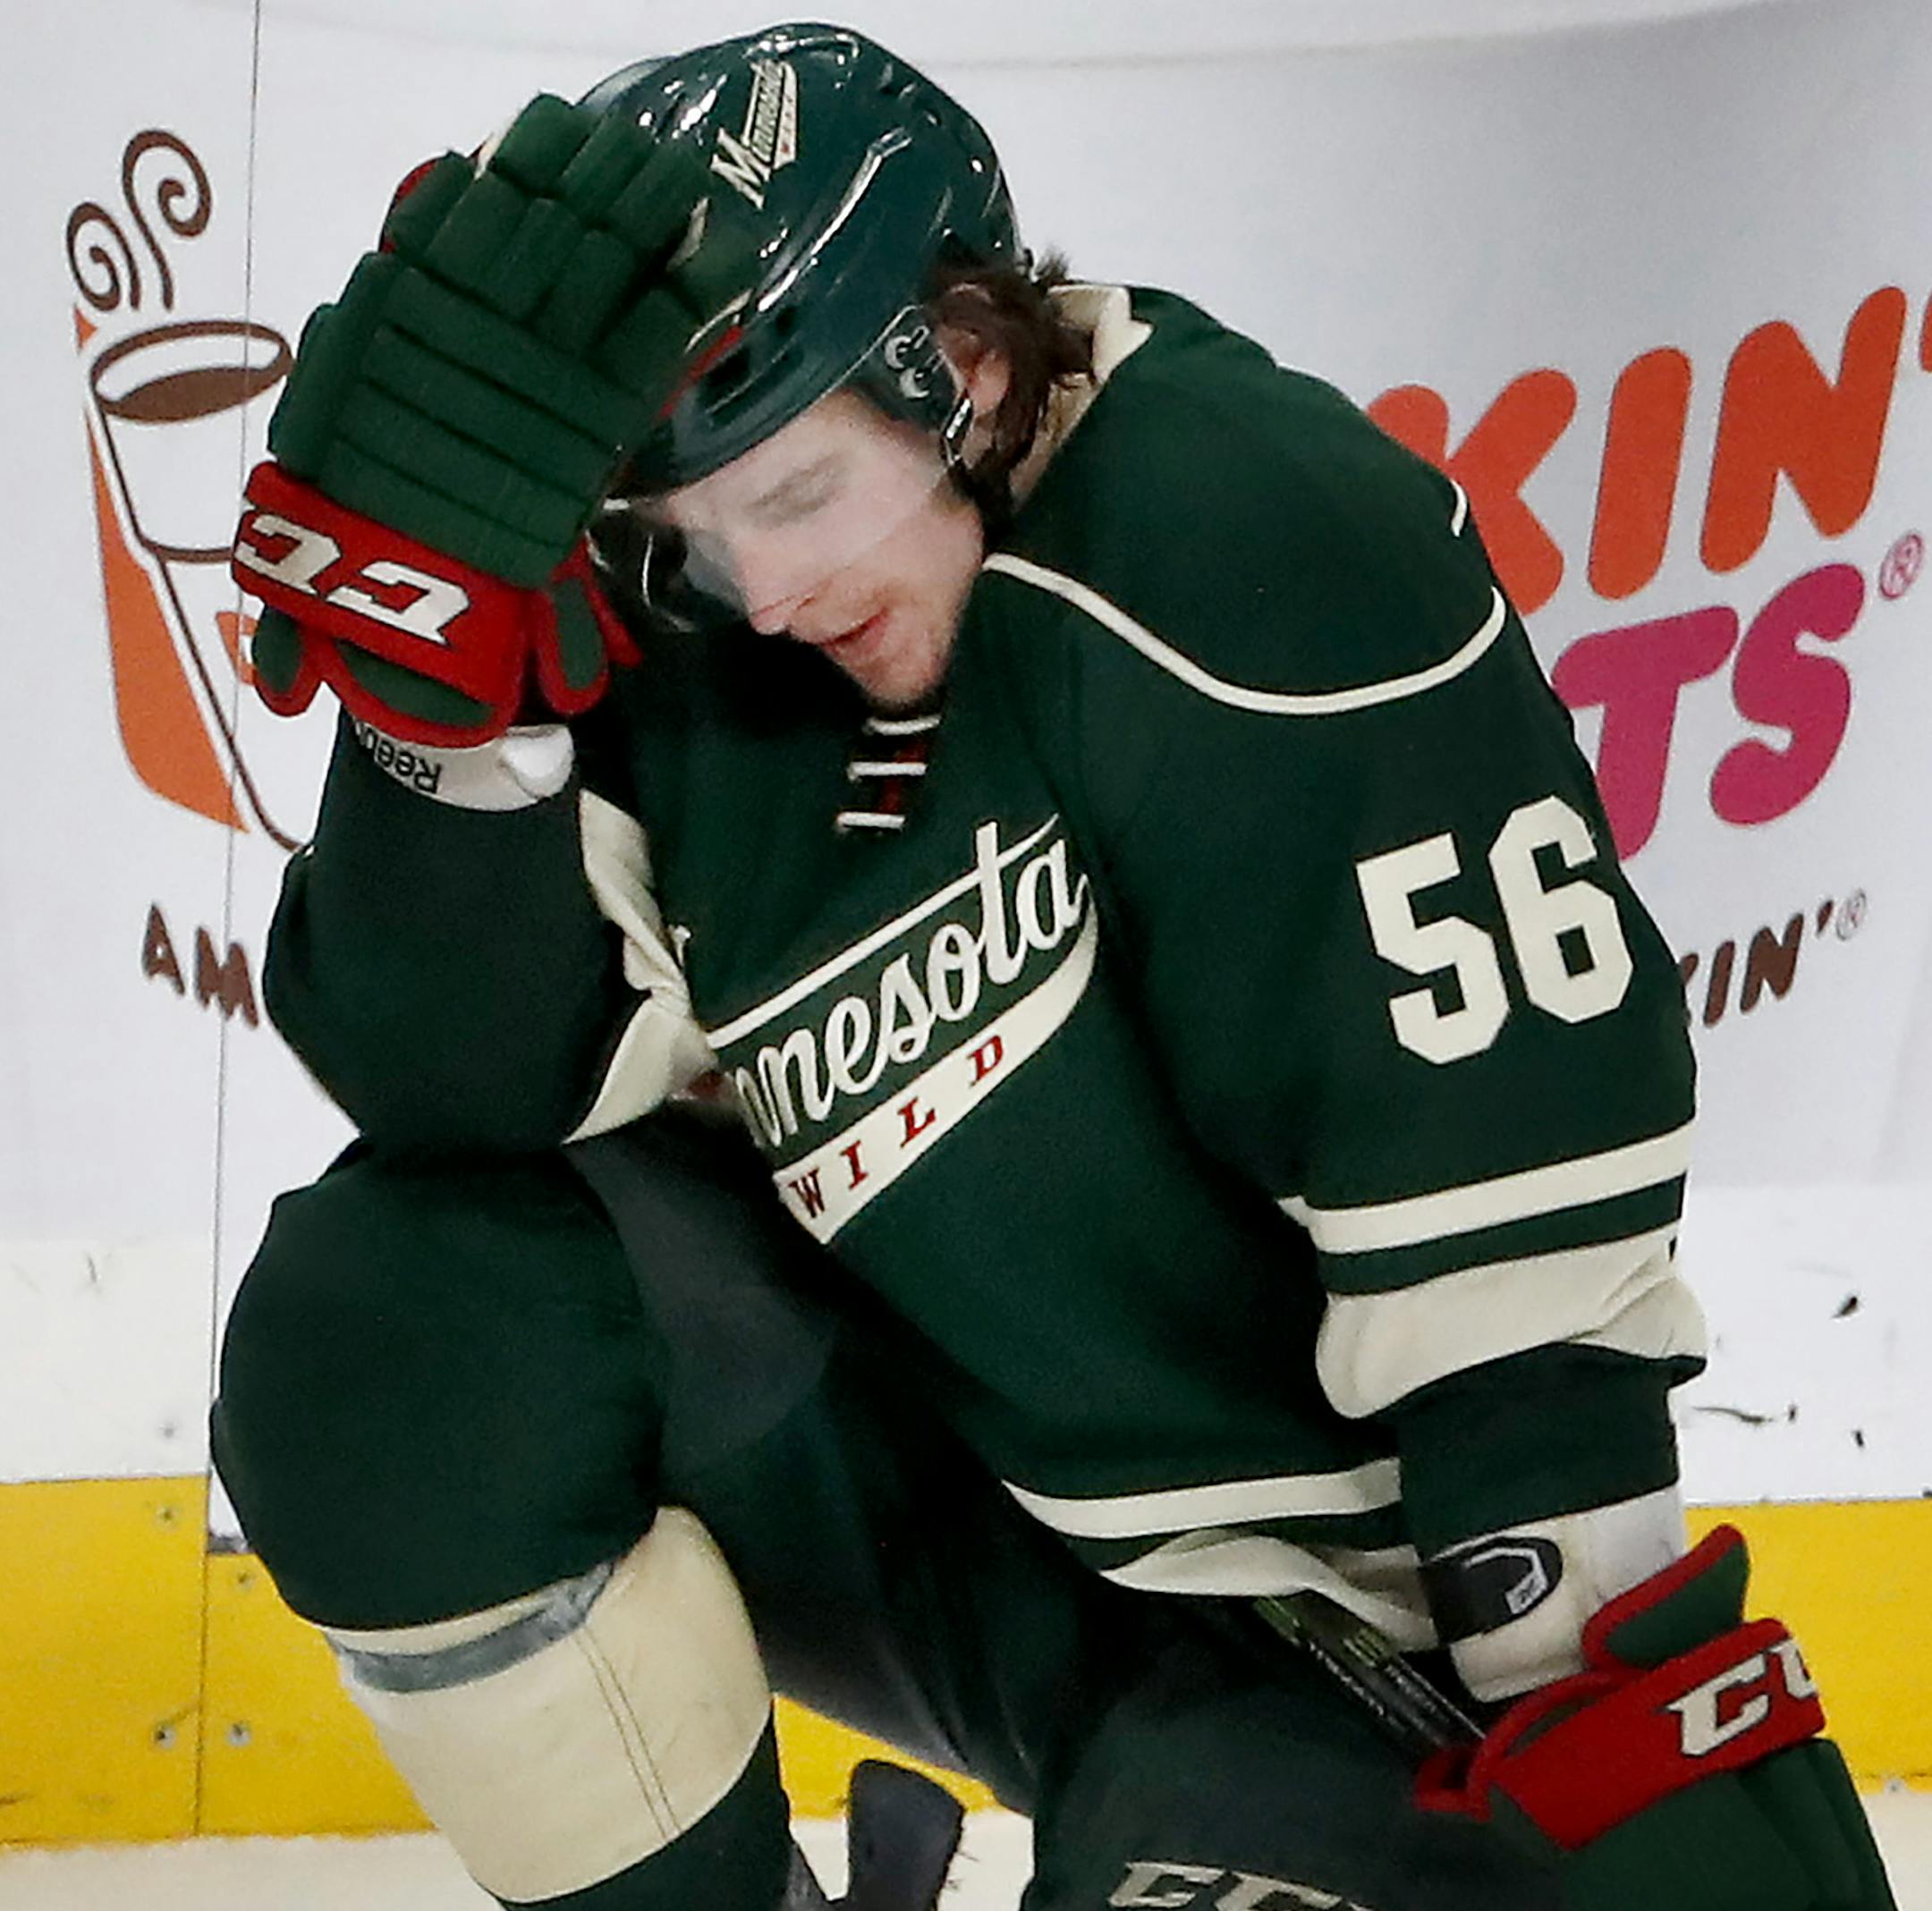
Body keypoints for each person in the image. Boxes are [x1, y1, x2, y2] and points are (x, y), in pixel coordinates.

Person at [217, 23, 1896, 1911]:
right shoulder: (705, 628)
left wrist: (1620, 1796)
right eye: (688, 538)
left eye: (788, 498)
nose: (760, 594)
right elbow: (456, 1106)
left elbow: (1516, 1309)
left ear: (969, 361)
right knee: (395, 1336)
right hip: (964, 1510)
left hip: (1337, 1627)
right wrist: (444, 740)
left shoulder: (1248, 539)